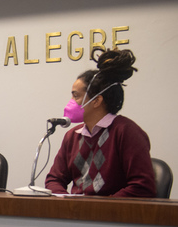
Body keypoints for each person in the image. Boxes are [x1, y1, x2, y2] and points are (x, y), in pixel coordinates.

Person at [45, 48, 155, 197]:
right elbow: (54, 179)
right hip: (75, 216)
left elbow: (142, 186)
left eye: (76, 96)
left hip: (113, 217)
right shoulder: (72, 136)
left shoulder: (127, 132)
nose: (71, 102)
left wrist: (100, 208)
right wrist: (66, 204)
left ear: (96, 100)